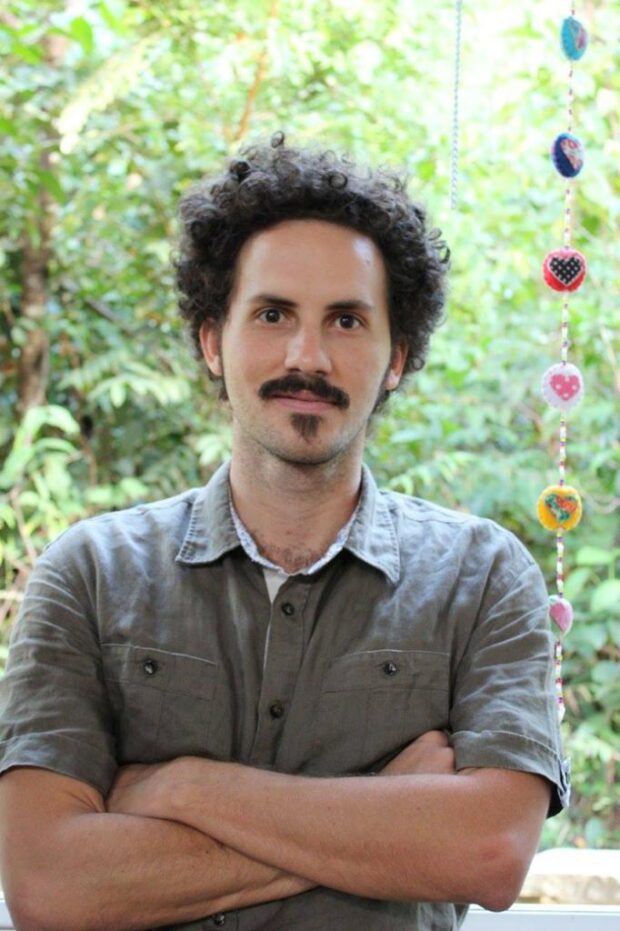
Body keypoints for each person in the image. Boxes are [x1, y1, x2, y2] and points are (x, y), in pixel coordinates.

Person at [0, 134, 569, 931]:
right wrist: (389, 813)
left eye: (347, 320)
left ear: (397, 356)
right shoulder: (90, 575)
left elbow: (489, 852)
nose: (309, 356)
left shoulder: (483, 576)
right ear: (212, 340)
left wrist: (185, 787)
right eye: (273, 314)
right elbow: (48, 884)